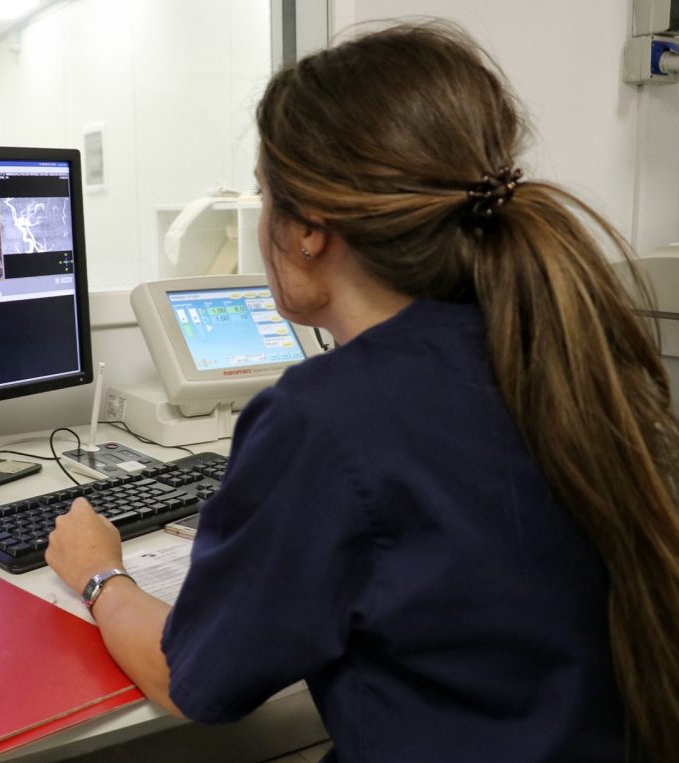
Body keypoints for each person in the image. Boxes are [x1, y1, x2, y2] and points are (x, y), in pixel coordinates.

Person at [46, 20, 679, 762]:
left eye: (264, 196)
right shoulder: (561, 347)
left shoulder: (325, 417)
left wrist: (100, 572)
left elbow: (194, 679)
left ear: (309, 229)